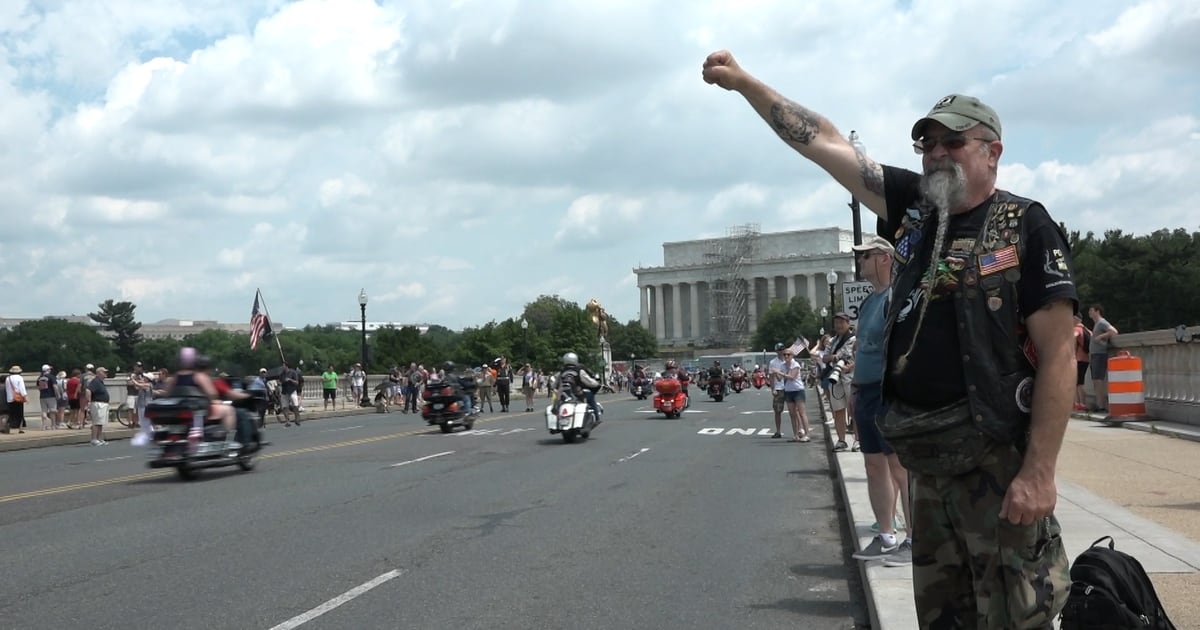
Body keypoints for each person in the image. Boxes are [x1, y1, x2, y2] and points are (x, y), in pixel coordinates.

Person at [704, 51, 1075, 627]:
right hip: (928, 466)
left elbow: (1058, 356)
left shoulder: (1026, 226)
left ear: (992, 151)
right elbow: (822, 141)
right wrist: (746, 84)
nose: (936, 156)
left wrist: (1040, 472)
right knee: (943, 617)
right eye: (927, 146)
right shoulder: (915, 214)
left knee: (1014, 614)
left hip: (997, 466)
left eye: (953, 144)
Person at [846, 235, 914, 567]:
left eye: (866, 256)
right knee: (874, 465)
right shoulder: (871, 302)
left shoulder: (894, 298)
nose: (860, 262)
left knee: (899, 467)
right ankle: (886, 534)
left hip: (888, 391)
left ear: (885, 258)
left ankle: (914, 538)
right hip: (866, 390)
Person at [820, 313, 857, 452]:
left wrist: (850, 365)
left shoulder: (854, 339)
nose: (839, 325)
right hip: (835, 379)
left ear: (848, 323)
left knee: (853, 410)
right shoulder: (832, 341)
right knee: (838, 411)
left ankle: (857, 440)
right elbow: (824, 358)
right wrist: (834, 357)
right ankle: (841, 440)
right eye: (836, 323)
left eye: (842, 322)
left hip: (850, 378)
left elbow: (857, 356)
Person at [1088, 304, 1118, 412]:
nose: (1089, 313)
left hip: (1100, 354)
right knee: (1096, 380)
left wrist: (1101, 337)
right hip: (1095, 354)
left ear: (1097, 311)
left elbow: (1114, 331)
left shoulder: (1101, 322)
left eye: (1091, 310)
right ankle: (1099, 403)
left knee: (1099, 379)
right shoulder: (1096, 324)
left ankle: (1101, 405)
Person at [557, 352, 602, 422]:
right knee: (591, 397)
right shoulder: (579, 370)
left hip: (565, 395)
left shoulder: (562, 371)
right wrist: (597, 384)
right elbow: (589, 381)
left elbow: (554, 384)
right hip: (578, 394)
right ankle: (597, 418)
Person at [767, 343, 789, 438]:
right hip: (779, 388)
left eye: (782, 349)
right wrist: (773, 389)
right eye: (779, 350)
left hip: (789, 388)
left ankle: (799, 431)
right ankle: (778, 431)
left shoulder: (789, 360)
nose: (781, 351)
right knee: (777, 411)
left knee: (794, 410)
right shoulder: (773, 362)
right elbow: (771, 377)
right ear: (776, 351)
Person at [1072, 315, 1091, 412]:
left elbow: (1073, 337)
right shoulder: (1086, 330)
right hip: (1086, 359)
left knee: (1078, 383)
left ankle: (1080, 403)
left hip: (1078, 358)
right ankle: (1080, 403)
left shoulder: (1076, 329)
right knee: (1080, 381)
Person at [3, 366, 28, 434]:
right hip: (18, 398)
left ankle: (7, 426)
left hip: (10, 398)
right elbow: (22, 388)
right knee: (20, 414)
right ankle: (20, 428)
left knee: (11, 414)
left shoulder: (8, 378)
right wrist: (25, 396)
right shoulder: (19, 378)